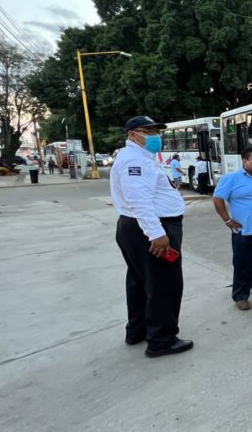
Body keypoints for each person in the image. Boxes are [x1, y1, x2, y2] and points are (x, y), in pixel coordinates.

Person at [110, 116, 193, 358]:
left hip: (138, 228)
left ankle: (137, 330)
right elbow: (139, 200)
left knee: (139, 282)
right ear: (132, 134)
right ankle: (162, 339)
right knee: (164, 284)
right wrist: (157, 234)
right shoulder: (135, 161)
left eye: (156, 132)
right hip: (150, 229)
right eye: (148, 131)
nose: (155, 137)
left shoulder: (141, 158)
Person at [212, 147, 252, 310]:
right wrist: (227, 220)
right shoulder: (231, 179)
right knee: (243, 264)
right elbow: (218, 199)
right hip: (244, 231)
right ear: (244, 161)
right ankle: (240, 295)